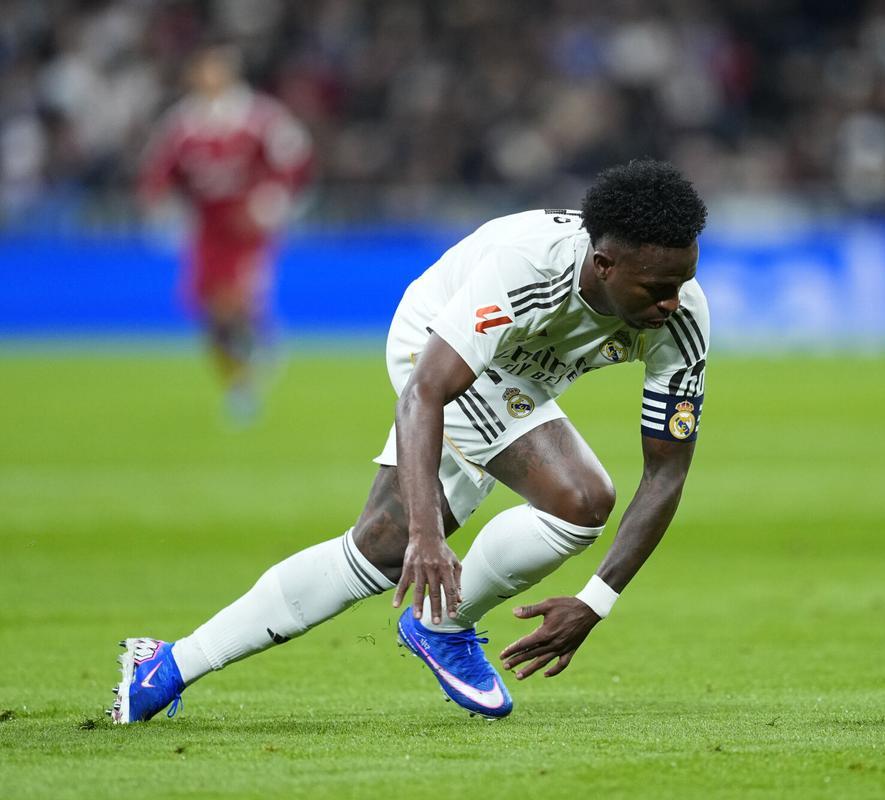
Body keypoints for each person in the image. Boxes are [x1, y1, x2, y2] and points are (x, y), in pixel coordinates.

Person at [110, 159, 709, 723]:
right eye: (657, 287)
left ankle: (164, 666)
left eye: (684, 280)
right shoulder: (528, 269)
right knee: (578, 498)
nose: (673, 301)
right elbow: (424, 393)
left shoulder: (680, 317)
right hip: (434, 348)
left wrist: (595, 601)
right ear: (603, 264)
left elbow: (666, 474)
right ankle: (442, 626)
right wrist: (429, 535)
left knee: (378, 550)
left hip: (517, 372)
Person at [139, 43, 312, 424]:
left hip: (247, 227)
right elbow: (158, 171)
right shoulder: (182, 123)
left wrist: (274, 200)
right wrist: (160, 208)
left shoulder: (259, 117)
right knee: (210, 314)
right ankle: (240, 380)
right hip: (205, 229)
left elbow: (295, 157)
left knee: (235, 302)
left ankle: (253, 355)